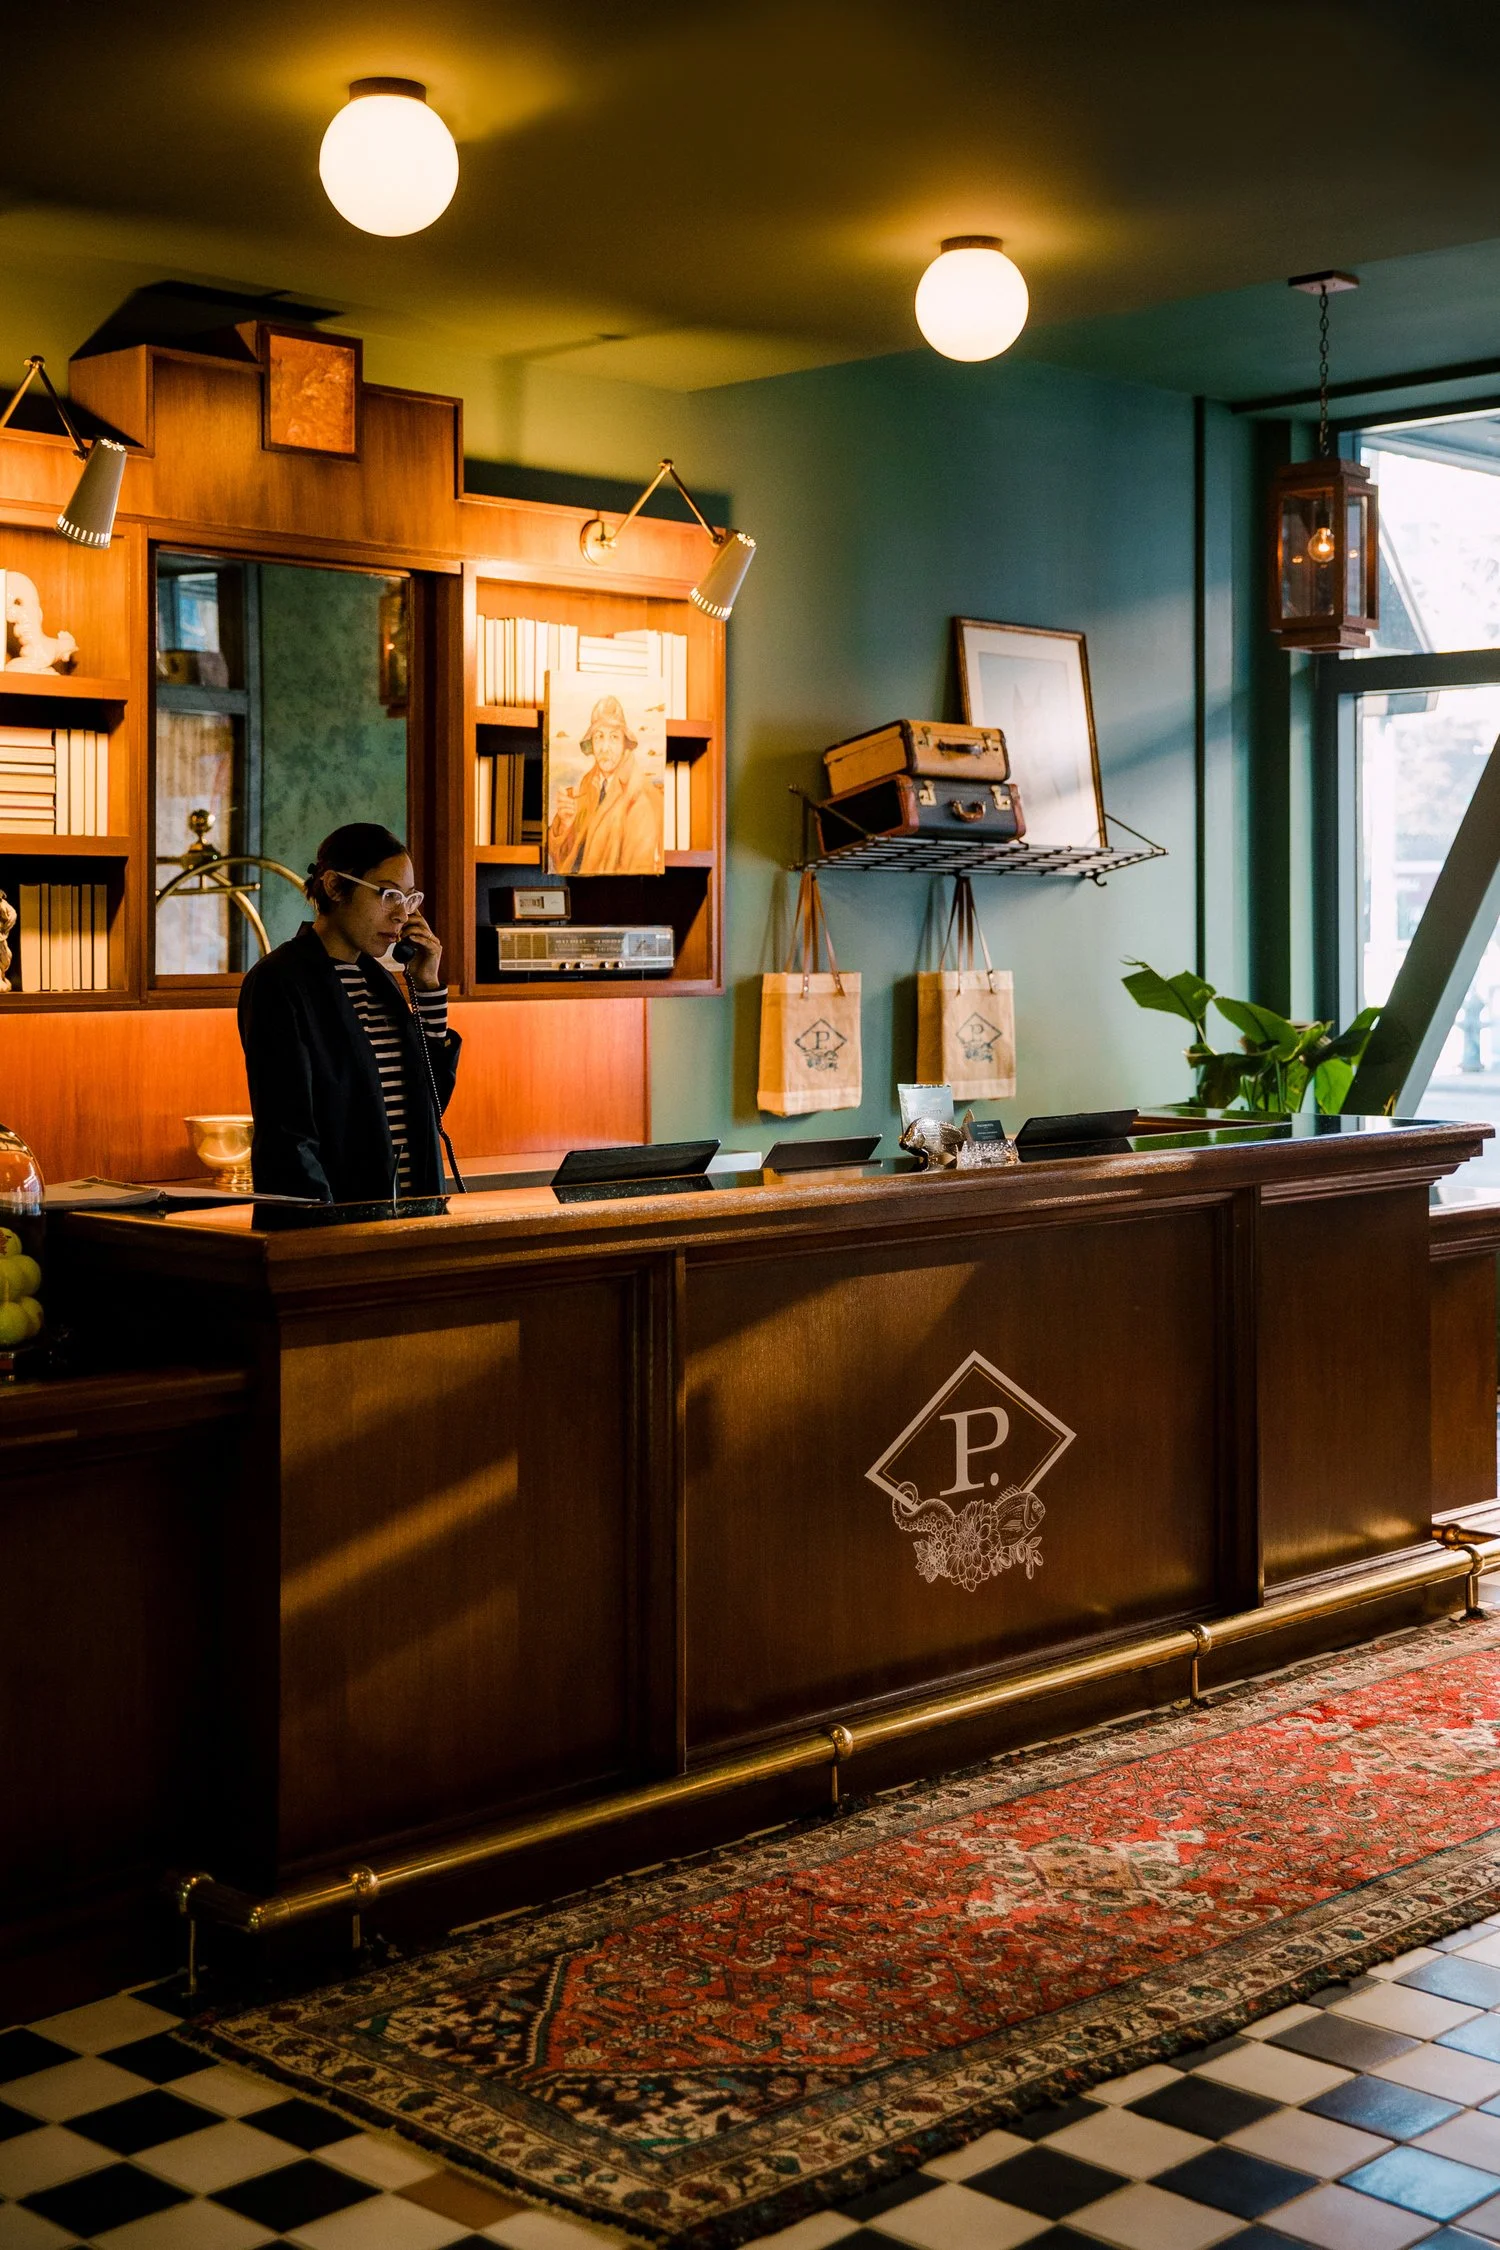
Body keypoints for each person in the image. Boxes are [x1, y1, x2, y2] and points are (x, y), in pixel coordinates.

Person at [238, 822, 461, 1202]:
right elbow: (288, 1134)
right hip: (339, 1226)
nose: (401, 916)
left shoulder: (381, 983)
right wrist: (326, 1233)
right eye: (388, 895)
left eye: (409, 899)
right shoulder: (280, 981)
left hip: (411, 1217)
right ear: (335, 886)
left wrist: (426, 986)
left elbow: (431, 1102)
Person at [546, 693, 662, 874]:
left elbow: (636, 876)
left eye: (614, 737)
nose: (605, 747)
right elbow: (566, 866)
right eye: (599, 736)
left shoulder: (639, 799)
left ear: (625, 742)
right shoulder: (588, 786)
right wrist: (566, 825)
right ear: (591, 743)